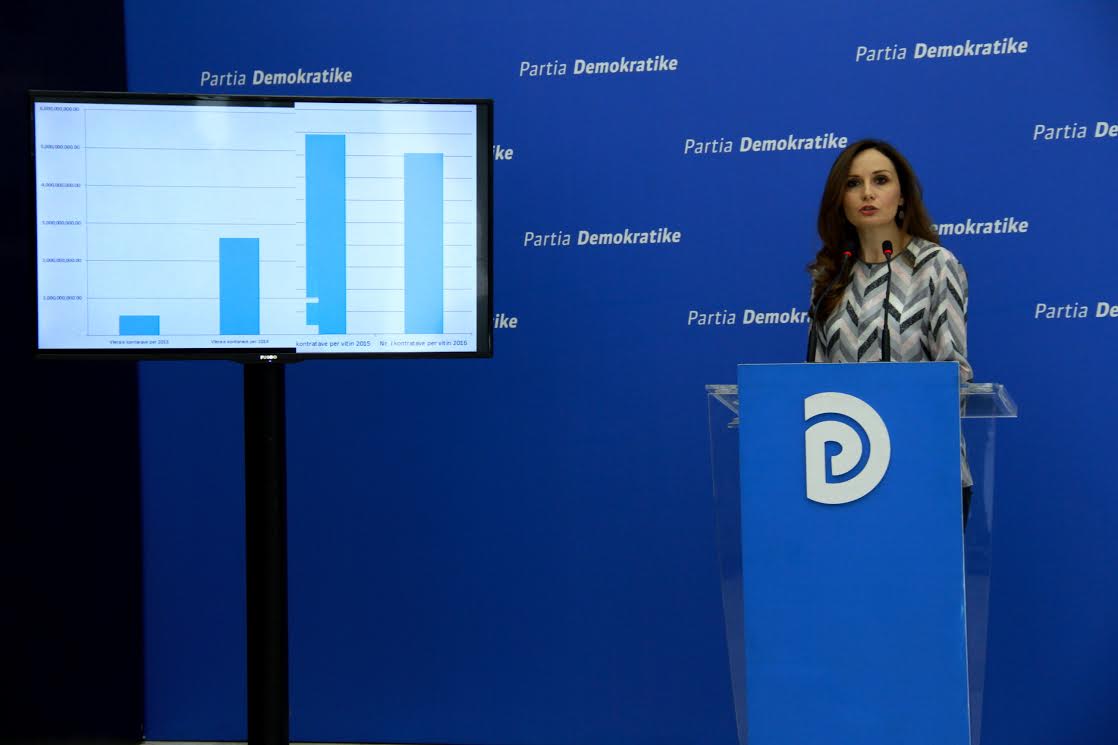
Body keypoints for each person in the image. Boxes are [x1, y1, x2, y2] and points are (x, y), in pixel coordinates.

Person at [805, 139, 974, 526]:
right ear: (841, 201)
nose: (867, 193)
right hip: (843, 478)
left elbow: (955, 375)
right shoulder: (830, 277)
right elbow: (814, 383)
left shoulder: (936, 265)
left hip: (925, 469)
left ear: (902, 197)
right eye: (853, 184)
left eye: (880, 180)